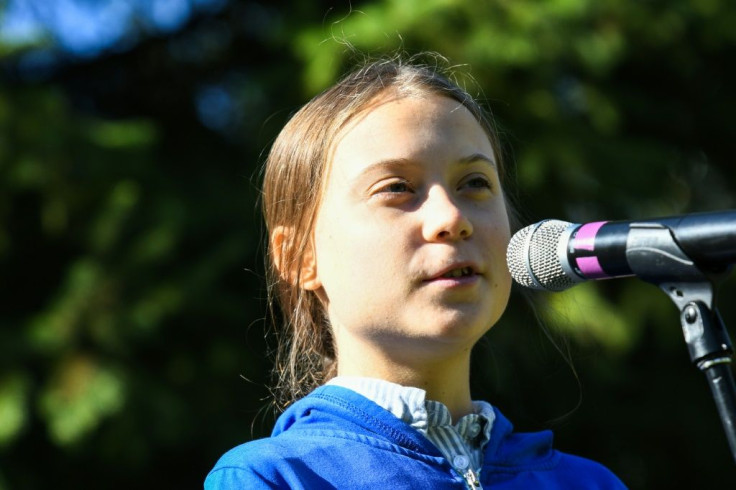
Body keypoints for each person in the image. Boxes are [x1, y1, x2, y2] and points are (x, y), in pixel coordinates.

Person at [205, 53, 627, 489]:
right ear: (300, 258)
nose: (450, 217)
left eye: (475, 183)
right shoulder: (275, 477)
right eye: (397, 188)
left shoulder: (589, 483)